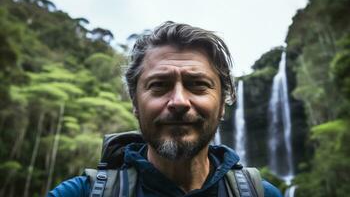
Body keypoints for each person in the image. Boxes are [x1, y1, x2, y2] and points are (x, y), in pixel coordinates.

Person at [48, 21, 282, 197]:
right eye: (159, 85)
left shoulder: (264, 194)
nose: (179, 101)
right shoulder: (80, 193)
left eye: (198, 85)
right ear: (135, 103)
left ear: (222, 104)